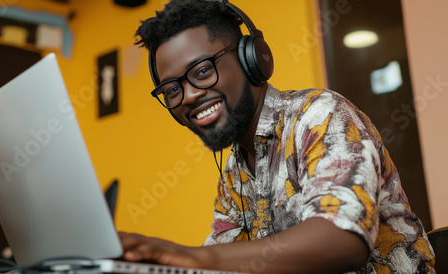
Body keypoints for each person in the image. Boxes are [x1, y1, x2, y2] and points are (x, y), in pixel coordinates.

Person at [119, 0, 436, 273]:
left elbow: (343, 239)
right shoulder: (233, 175)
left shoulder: (318, 116)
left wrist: (191, 256)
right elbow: (219, 263)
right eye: (172, 89)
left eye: (202, 71)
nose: (188, 96)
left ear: (250, 59)